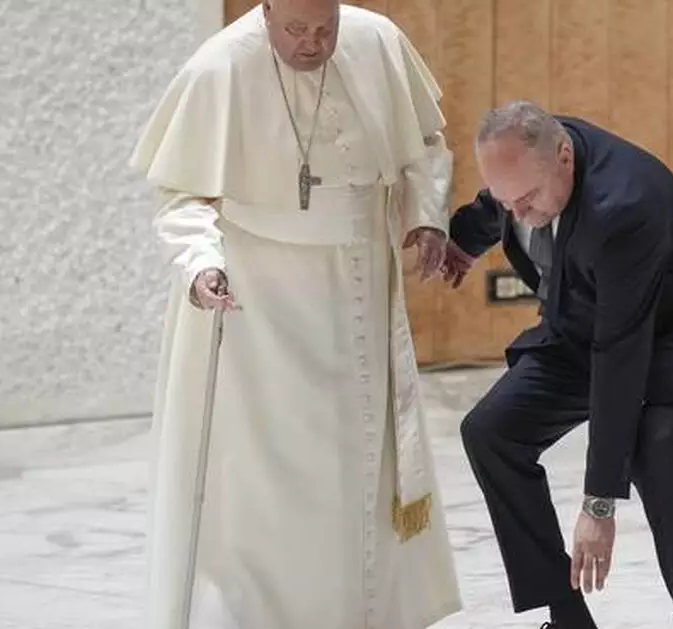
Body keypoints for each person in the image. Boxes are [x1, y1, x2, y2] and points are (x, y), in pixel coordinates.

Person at [127, 2, 462, 628]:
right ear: (268, 11)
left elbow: (422, 149)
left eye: (324, 30)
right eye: (295, 31)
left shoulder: (377, 40)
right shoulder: (219, 67)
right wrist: (202, 263)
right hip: (262, 303)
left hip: (361, 285)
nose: (311, 45)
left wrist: (424, 218)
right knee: (265, 480)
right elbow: (183, 196)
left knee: (361, 468)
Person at [443, 101, 673, 629]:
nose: (520, 215)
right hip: (589, 318)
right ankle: (567, 619)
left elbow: (620, 355)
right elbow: (499, 205)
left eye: (529, 200)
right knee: (491, 433)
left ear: (564, 158)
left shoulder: (623, 205)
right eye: (508, 201)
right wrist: (459, 242)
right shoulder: (528, 168)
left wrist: (599, 503)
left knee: (656, 446)